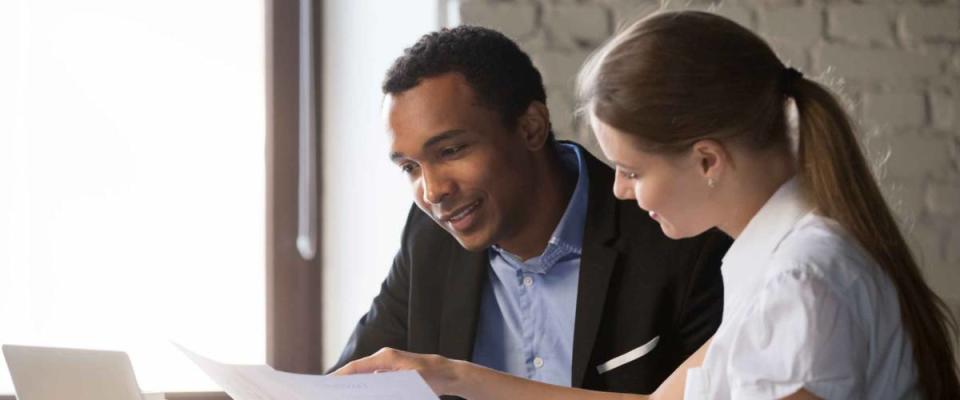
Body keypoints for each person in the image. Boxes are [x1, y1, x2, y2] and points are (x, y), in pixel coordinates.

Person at [335, 11, 960, 400]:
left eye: (633, 170)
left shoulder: (800, 282)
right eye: (410, 167)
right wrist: (455, 377)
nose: (619, 190)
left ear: (708, 160)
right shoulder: (771, 266)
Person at [330, 25, 732, 397]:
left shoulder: (678, 239)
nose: (433, 191)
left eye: (451, 151)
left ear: (531, 127)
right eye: (410, 168)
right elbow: (349, 383)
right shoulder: (429, 236)